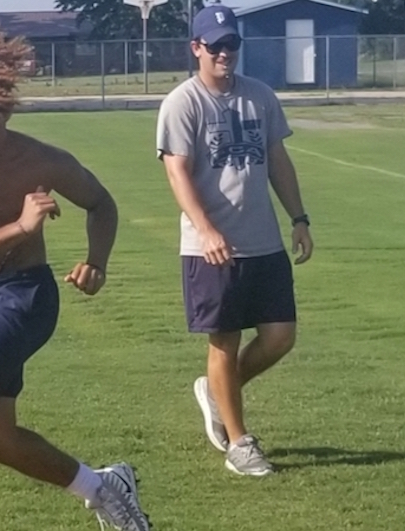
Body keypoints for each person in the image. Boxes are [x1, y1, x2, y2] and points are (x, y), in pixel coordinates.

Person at [0, 27, 151, 531]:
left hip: (26, 294)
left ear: (7, 113)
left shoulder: (40, 160)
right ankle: (104, 487)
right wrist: (19, 226)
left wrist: (97, 262)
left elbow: (100, 202)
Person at [155, 5, 314, 476]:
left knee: (280, 337)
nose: (225, 53)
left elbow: (277, 160)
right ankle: (240, 444)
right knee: (224, 342)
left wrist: (299, 218)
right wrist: (205, 229)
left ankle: (216, 391)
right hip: (211, 248)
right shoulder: (183, 103)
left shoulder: (260, 97)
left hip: (263, 241)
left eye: (232, 45)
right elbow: (176, 172)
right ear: (196, 49)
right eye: (216, 46)